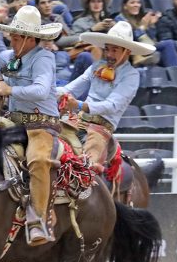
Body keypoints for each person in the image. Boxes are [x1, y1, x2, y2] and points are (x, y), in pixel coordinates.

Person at [0, 5, 63, 245]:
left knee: (38, 160)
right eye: (11, 36)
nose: (12, 40)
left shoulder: (44, 58)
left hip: (42, 126)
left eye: (16, 37)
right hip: (13, 120)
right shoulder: (13, 57)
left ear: (30, 39)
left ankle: (38, 220)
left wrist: (10, 89)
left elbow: (41, 90)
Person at [57, 21, 156, 173]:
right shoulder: (97, 67)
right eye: (107, 49)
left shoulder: (131, 75)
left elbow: (112, 105)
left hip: (101, 128)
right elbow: (70, 89)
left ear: (127, 51)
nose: (109, 54)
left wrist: (78, 105)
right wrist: (49, 93)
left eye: (114, 50)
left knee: (87, 165)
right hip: (78, 120)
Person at [115, 0, 177, 67]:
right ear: (125, 6)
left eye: (138, 2)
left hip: (146, 47)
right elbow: (132, 38)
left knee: (166, 48)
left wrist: (151, 25)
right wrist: (143, 27)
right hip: (133, 50)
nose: (136, 5)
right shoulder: (120, 19)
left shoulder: (139, 18)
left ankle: (175, 73)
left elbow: (150, 39)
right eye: (132, 2)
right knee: (168, 44)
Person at [69, 0, 112, 80]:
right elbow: (73, 40)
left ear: (103, 4)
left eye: (99, 1)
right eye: (93, 1)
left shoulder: (108, 22)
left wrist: (114, 28)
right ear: (88, 4)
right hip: (87, 57)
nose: (96, 4)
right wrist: (92, 30)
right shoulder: (80, 21)